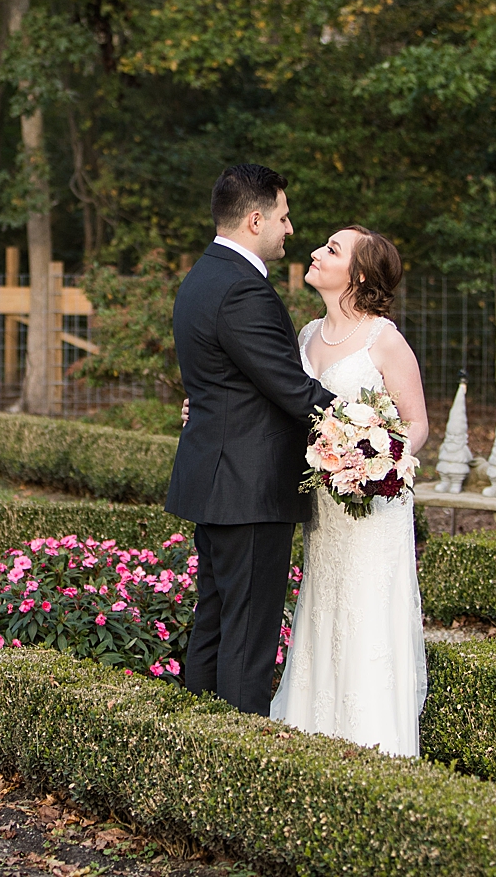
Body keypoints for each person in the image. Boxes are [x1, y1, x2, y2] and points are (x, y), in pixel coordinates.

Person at [167, 164, 335, 715]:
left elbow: (225, 384)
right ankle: (235, 765)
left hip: (217, 480)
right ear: (256, 218)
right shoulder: (244, 289)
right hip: (249, 488)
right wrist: (369, 429)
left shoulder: (202, 276)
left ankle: (194, 745)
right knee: (249, 635)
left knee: (216, 622)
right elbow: (290, 389)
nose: (291, 229)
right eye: (284, 217)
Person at [269, 225, 429, 756]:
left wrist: (373, 460)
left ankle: (375, 747)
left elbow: (417, 426)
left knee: (365, 619)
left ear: (358, 275)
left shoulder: (385, 339)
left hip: (372, 510)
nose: (316, 252)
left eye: (331, 249)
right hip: (325, 509)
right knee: (322, 610)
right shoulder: (307, 335)